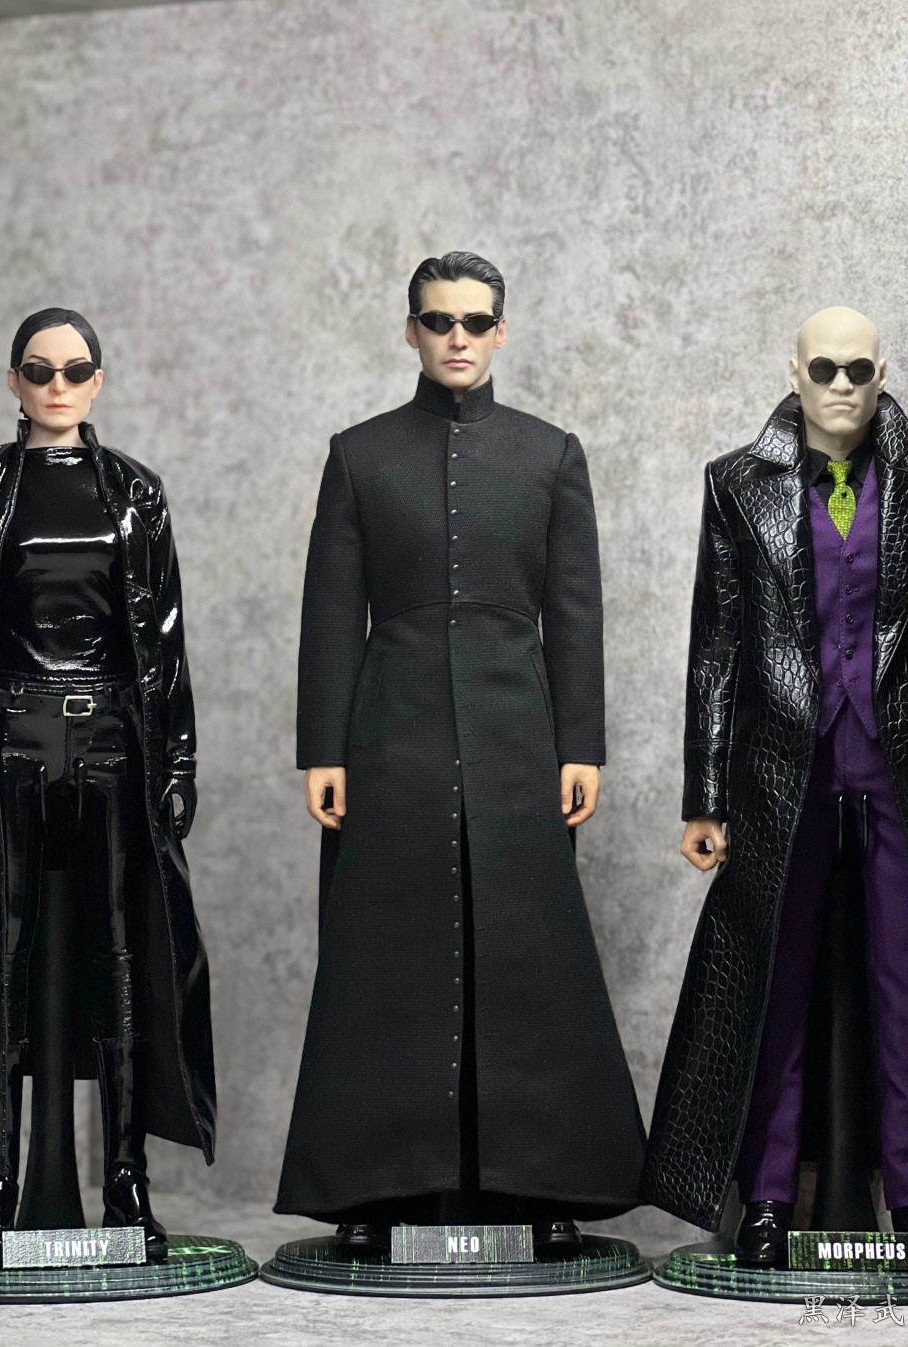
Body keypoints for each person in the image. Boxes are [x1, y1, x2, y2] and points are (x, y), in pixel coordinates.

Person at [640, 307, 908, 1271]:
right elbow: (715, 646)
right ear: (793, 374)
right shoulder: (736, 483)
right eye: (824, 368)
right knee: (773, 983)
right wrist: (704, 794)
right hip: (779, 769)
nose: (841, 385)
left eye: (858, 369)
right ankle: (764, 1199)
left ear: (881, 374)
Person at [277, 252, 645, 1251]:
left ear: (499, 332)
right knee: (380, 957)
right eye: (437, 320)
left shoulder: (549, 454)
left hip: (521, 736)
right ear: (410, 330)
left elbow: (575, 611)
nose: (456, 337)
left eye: (474, 322)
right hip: (387, 734)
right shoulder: (358, 455)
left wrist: (581, 744)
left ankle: (542, 1187)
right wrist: (322, 749)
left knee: (531, 957)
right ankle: (371, 1194)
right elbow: (329, 611)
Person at [0, 309, 216, 1265]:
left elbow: (165, 638)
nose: (57, 385)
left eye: (74, 369)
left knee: (123, 962)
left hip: (111, 744)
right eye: (39, 369)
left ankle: (128, 1186)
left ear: (97, 379)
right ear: (13, 381)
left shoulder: (134, 492)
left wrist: (178, 761)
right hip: (8, 744)